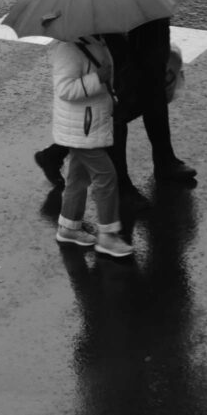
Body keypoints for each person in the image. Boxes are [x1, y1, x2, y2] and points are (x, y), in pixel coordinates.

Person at [50, 35, 133, 257]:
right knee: (106, 177)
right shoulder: (69, 48)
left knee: (78, 176)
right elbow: (65, 89)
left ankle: (69, 227)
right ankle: (108, 235)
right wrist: (98, 78)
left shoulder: (94, 40)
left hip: (89, 123)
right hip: (81, 127)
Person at [119, 0, 197, 183]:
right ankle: (59, 151)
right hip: (136, 44)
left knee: (153, 101)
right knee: (126, 109)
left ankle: (165, 161)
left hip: (153, 41)